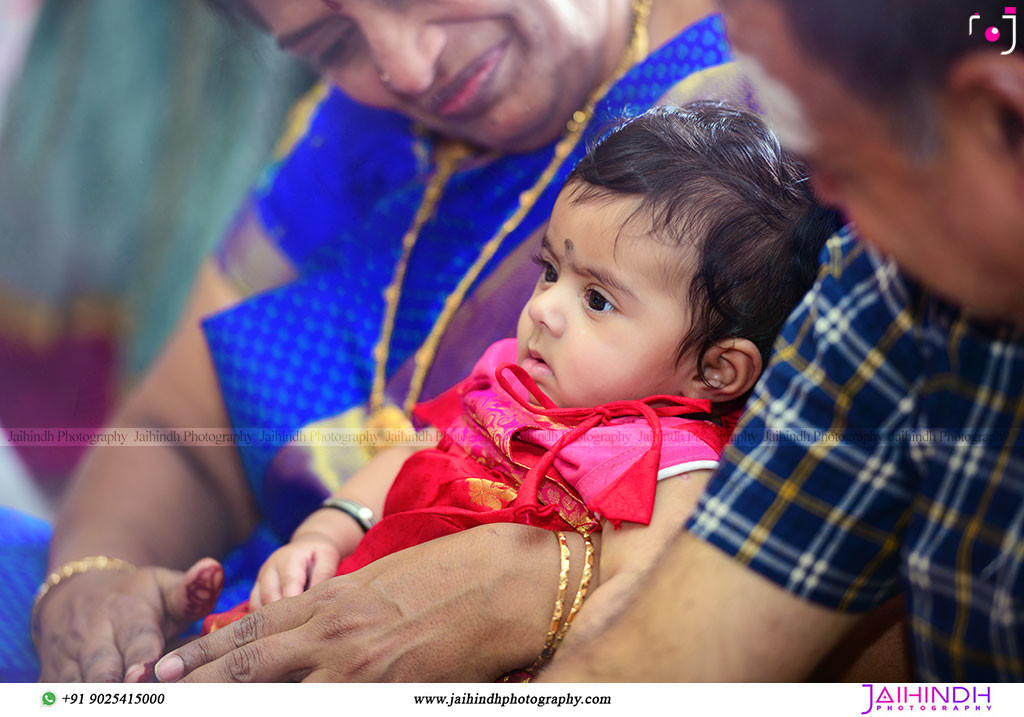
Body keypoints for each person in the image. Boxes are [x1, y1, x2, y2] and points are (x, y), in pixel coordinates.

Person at [21, 0, 762, 683]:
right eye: (334, 42)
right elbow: (177, 433)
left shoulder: (785, 105)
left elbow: (834, 567)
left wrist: (542, 586)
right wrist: (90, 580)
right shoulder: (349, 140)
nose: (407, 67)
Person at [195, 105, 839, 675]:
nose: (544, 311)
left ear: (717, 370)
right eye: (550, 271)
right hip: (352, 618)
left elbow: (640, 594)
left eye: (596, 299)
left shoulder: (672, 463)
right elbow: (412, 454)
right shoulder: (511, 379)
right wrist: (328, 531)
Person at [539, 0, 1024, 682]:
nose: (828, 199)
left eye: (837, 152)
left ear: (1004, 118)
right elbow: (661, 660)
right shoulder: (889, 285)